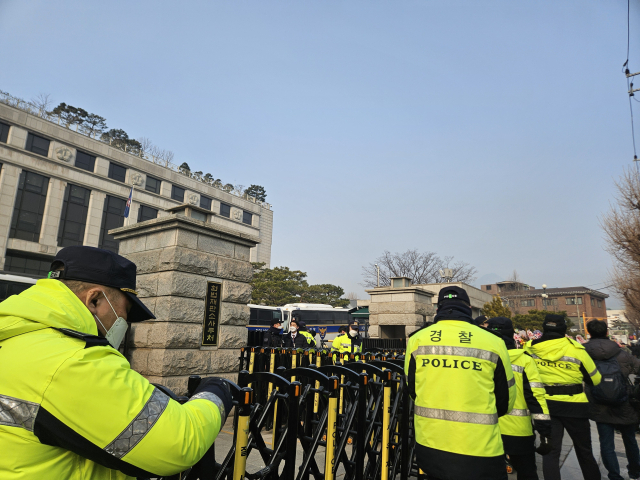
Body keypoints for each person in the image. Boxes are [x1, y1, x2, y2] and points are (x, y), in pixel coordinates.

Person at [0, 246, 232, 480]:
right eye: (125, 313)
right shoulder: (71, 360)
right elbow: (180, 442)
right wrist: (216, 391)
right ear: (95, 299)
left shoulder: (17, 334)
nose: (124, 323)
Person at [404, 286, 516, 480]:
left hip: (431, 442)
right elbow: (505, 399)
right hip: (480, 447)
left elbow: (412, 389)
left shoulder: (417, 340)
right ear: (469, 307)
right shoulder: (493, 341)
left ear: (437, 308)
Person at [525, 314, 602, 480]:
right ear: (564, 329)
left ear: (544, 328)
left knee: (551, 453)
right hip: (575, 406)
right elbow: (595, 379)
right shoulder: (576, 349)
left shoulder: (530, 348)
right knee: (584, 451)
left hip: (545, 405)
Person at [486, 317, 551, 480]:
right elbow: (536, 396)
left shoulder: (480, 359)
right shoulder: (525, 360)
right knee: (527, 472)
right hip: (518, 431)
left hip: (486, 430)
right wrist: (544, 431)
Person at [584, 319, 640, 480]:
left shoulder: (584, 353)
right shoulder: (621, 353)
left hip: (598, 403)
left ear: (589, 332)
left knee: (606, 443)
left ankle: (614, 475)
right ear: (607, 332)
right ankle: (635, 471)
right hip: (623, 401)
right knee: (629, 439)